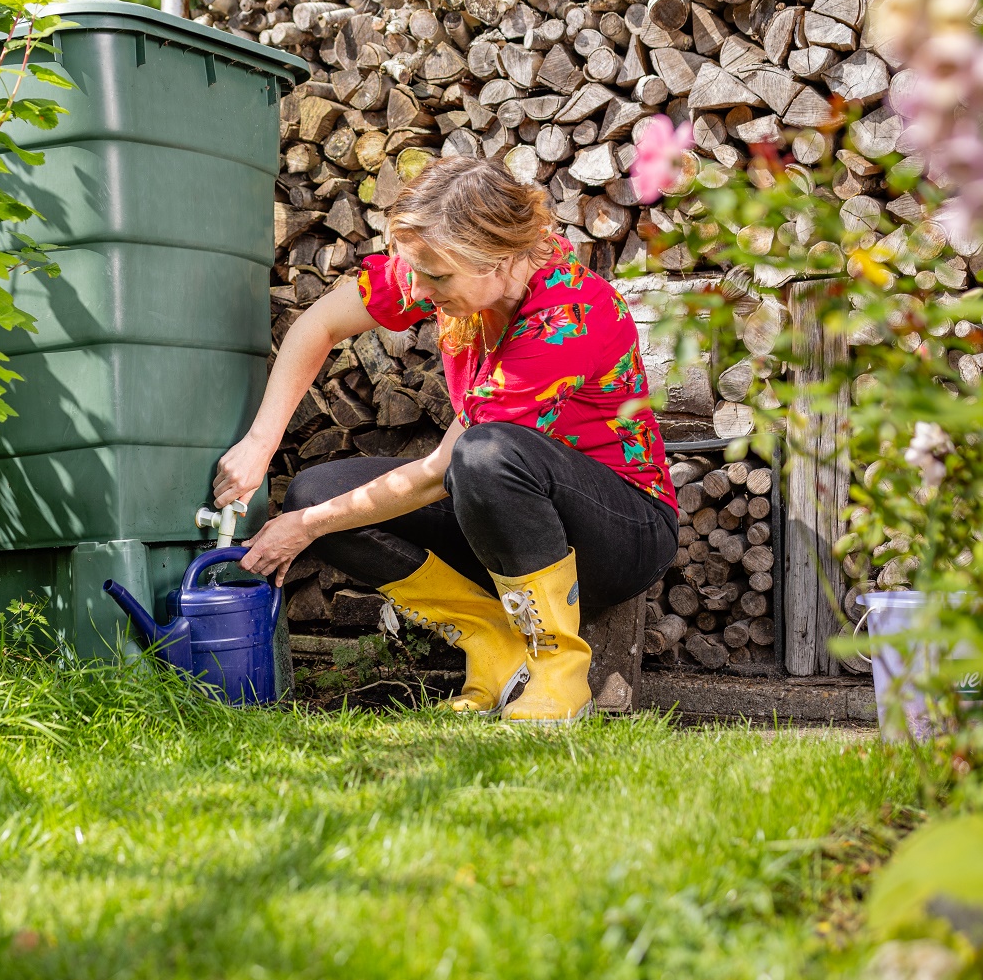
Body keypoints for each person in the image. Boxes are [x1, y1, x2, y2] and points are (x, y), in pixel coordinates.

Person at [216, 155, 678, 724]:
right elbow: (321, 323)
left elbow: (441, 470)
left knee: (484, 453)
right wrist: (261, 445)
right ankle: (494, 649)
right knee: (314, 494)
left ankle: (559, 672)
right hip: (498, 518)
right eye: (415, 269)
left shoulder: (570, 315)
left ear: (501, 260)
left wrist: (305, 531)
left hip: (620, 534)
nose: (417, 287)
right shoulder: (440, 267)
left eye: (436, 276)